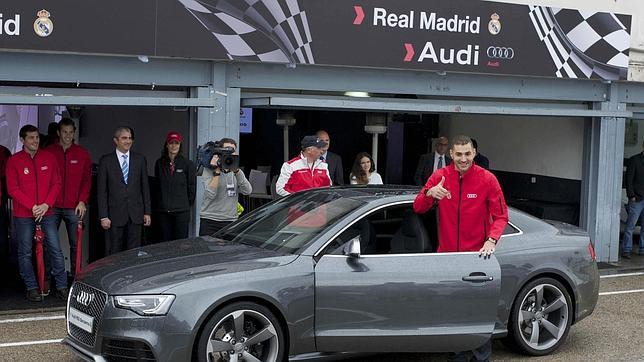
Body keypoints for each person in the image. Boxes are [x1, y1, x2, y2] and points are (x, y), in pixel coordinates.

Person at [413, 135, 508, 362]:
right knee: (451, 310)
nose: (463, 159)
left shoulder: (487, 179)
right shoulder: (440, 176)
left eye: (467, 154)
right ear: (451, 155)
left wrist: (491, 240)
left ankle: (479, 357)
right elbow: (418, 207)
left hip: (476, 258)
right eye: (458, 154)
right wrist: (429, 193)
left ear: (474, 153)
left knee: (477, 312)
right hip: (447, 258)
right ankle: (457, 354)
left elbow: (501, 216)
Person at [6, 125, 68, 302]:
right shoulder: (14, 161)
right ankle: (32, 287)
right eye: (31, 138)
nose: (35, 141)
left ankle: (62, 286)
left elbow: (56, 183)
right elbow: (12, 189)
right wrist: (33, 206)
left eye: (37, 137)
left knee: (55, 249)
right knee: (25, 252)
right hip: (24, 215)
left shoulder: (48, 157)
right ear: (22, 140)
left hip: (47, 213)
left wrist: (46, 205)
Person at [46, 118, 92, 277]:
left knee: (75, 245)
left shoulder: (82, 154)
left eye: (71, 132)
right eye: (64, 132)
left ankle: (75, 278)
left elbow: (87, 180)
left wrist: (82, 201)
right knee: (48, 244)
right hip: (52, 206)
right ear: (59, 132)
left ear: (74, 133)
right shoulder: (49, 152)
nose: (67, 135)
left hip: (74, 206)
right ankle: (47, 278)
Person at [97, 126, 151, 255]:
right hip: (114, 215)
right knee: (114, 251)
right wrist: (103, 216)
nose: (128, 141)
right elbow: (102, 191)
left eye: (130, 138)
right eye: (124, 138)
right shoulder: (106, 161)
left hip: (135, 214)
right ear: (116, 140)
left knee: (134, 251)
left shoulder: (140, 159)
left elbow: (145, 187)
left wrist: (147, 212)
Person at [199, 138, 251, 236]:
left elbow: (247, 191)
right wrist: (217, 171)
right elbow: (210, 194)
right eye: (227, 150)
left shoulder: (236, 172)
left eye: (233, 150)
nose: (230, 153)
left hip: (230, 220)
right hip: (210, 219)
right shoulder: (209, 170)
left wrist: (237, 171)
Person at [155, 131, 197, 241]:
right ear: (167, 145)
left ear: (180, 145)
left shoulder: (188, 164)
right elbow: (157, 186)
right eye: (171, 143)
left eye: (176, 143)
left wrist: (185, 204)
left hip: (181, 212)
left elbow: (192, 187)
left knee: (180, 243)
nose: (174, 146)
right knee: (164, 241)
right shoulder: (160, 163)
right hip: (163, 211)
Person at [623, 140, 644, 259]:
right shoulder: (635, 160)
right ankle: (626, 249)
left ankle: (642, 248)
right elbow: (629, 179)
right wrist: (631, 195)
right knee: (630, 225)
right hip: (637, 198)